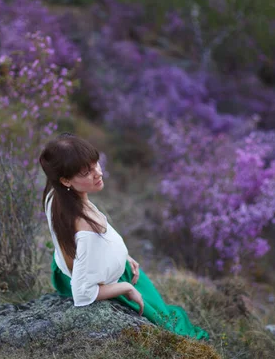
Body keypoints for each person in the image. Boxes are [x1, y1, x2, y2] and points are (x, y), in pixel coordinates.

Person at [39, 133, 209, 340]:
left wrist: (123, 257)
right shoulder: (85, 227)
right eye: (86, 172)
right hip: (107, 281)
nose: (98, 173)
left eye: (95, 164)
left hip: (103, 268)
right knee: (173, 328)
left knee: (162, 309)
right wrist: (125, 287)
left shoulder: (56, 194)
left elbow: (77, 245)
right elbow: (82, 294)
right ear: (65, 180)